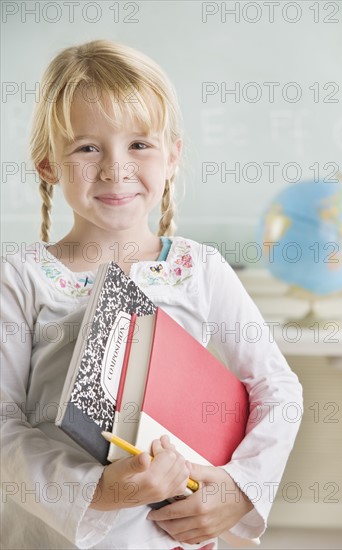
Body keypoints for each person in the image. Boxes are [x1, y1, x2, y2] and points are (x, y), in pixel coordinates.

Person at [0, 40, 303, 550]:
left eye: (139, 144)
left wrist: (239, 489)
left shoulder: (199, 270)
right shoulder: (22, 278)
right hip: (48, 536)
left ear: (173, 157)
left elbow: (278, 389)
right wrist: (97, 490)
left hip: (168, 536)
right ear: (48, 164)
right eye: (86, 147)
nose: (116, 169)